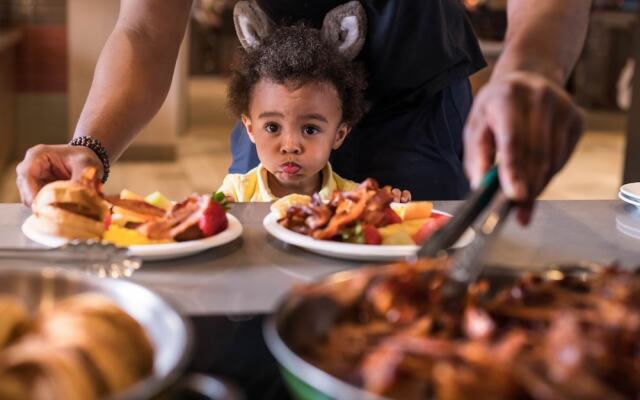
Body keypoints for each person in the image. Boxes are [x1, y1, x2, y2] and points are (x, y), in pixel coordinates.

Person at [15, 0, 590, 226]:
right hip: (278, 104)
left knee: (425, 279)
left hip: (421, 116)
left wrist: (530, 67)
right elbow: (144, 28)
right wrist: (88, 148)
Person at [218, 22, 410, 202]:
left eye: (310, 129)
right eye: (272, 127)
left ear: (339, 134)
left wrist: (390, 209)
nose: (290, 146)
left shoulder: (355, 198)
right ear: (250, 129)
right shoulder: (236, 192)